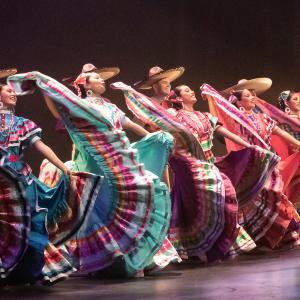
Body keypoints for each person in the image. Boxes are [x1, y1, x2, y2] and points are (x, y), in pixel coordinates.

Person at [8, 64, 180, 277]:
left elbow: (135, 129)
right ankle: (102, 261)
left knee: (131, 203)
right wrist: (44, 88)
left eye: (101, 77)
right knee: (100, 210)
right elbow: (59, 109)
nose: (102, 80)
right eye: (96, 78)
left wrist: (157, 141)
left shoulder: (112, 109)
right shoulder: (79, 107)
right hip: (93, 165)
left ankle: (133, 260)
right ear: (86, 86)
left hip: (117, 162)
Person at [112, 81, 279, 262]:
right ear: (177, 98)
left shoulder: (205, 116)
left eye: (191, 89)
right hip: (187, 164)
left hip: (206, 162)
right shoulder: (172, 114)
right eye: (186, 90)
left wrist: (251, 147)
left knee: (204, 205)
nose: (191, 92)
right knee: (216, 191)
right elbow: (152, 116)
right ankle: (203, 246)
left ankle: (207, 246)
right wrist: (131, 94)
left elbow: (223, 132)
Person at [0, 69, 102, 285]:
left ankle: (26, 272)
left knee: (33, 224)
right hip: (1, 184)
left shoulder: (21, 123)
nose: (14, 94)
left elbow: (41, 146)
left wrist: (63, 169)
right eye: (9, 90)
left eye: (14, 91)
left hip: (22, 179)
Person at [201, 80, 300, 250]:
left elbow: (281, 132)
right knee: (259, 203)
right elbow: (222, 107)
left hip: (267, 164)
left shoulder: (263, 118)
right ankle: (258, 239)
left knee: (275, 199)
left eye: (252, 95)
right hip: (251, 166)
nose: (253, 98)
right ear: (238, 101)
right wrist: (210, 92)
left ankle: (279, 236)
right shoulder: (236, 119)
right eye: (247, 95)